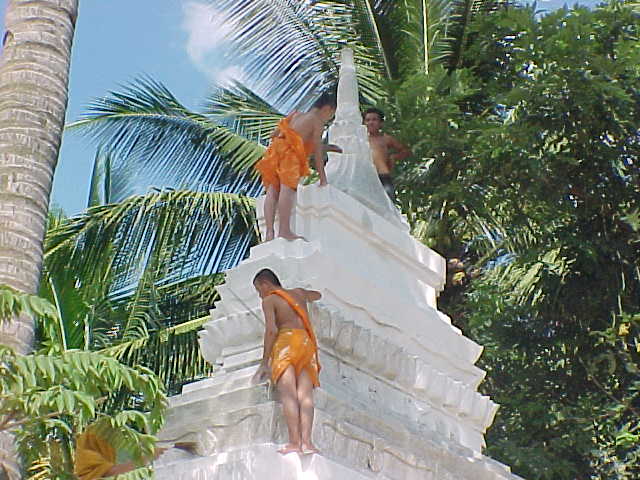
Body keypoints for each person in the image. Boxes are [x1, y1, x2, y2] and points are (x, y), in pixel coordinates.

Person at [252, 268, 322, 455]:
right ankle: (308, 443)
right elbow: (317, 295)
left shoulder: (270, 300)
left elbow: (272, 331)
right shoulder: (298, 293)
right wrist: (302, 296)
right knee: (305, 397)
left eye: (259, 291)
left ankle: (294, 442)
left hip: (286, 343)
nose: (260, 296)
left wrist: (264, 361)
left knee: (288, 395)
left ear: (265, 284)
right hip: (306, 345)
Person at [256, 92, 340, 242]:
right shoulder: (317, 122)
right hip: (291, 156)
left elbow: (275, 133)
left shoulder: (296, 115)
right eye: (331, 115)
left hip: (275, 151)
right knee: (287, 189)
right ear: (328, 109)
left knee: (273, 191)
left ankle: (269, 232)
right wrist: (322, 178)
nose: (329, 119)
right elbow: (317, 153)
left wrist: (328, 147)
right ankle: (284, 230)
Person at [363, 108, 411, 201]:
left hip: (383, 176)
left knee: (388, 204)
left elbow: (406, 151)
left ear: (381, 123)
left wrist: (394, 157)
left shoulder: (386, 139)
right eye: (368, 120)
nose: (371, 123)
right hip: (366, 176)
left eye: (374, 120)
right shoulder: (360, 139)